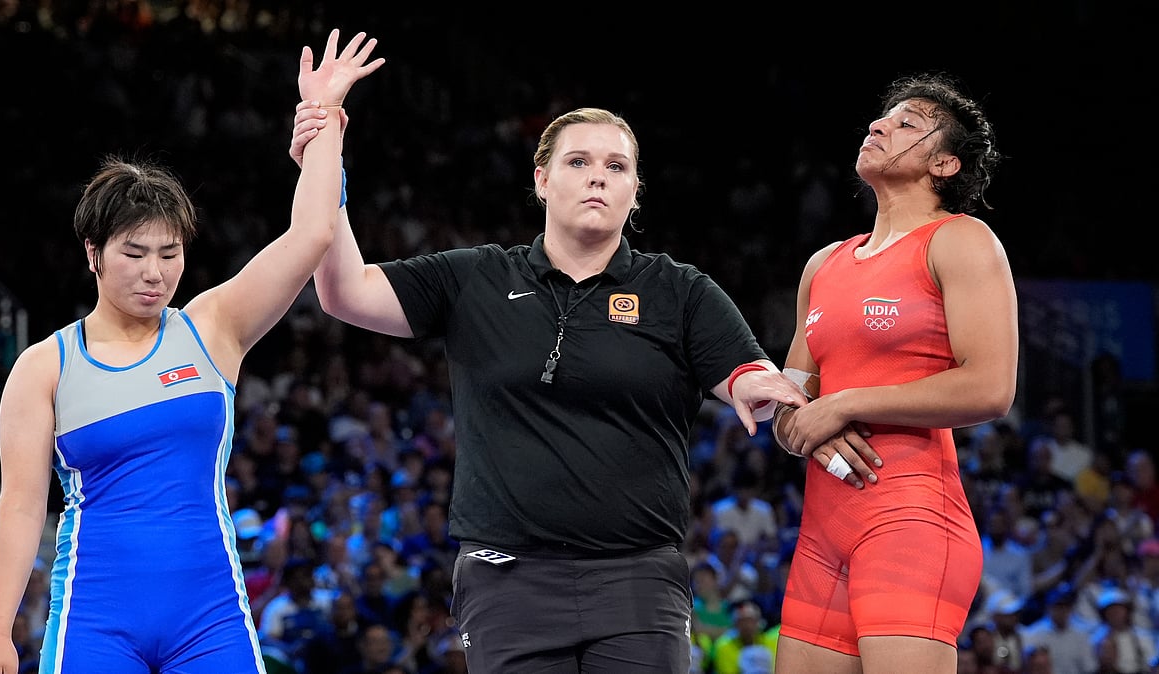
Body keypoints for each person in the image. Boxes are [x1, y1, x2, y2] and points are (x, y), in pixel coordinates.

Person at [287, 101, 809, 670]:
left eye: (616, 167)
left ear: (635, 190)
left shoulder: (680, 291)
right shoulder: (476, 277)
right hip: (505, 581)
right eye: (579, 161)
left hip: (638, 581)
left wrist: (757, 386)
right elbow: (343, 293)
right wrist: (323, 161)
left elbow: (743, 370)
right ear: (541, 179)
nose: (597, 177)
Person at [0, 28, 385, 674]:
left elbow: (311, 235)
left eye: (169, 254)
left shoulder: (212, 326)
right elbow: (22, 507)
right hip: (95, 619)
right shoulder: (46, 367)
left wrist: (325, 121)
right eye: (134, 254)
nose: (154, 273)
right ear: (92, 254)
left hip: (210, 614)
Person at [771, 72, 1018, 672]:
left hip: (912, 522)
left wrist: (846, 403)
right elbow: (791, 401)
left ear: (945, 165)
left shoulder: (960, 242)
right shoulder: (823, 264)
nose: (880, 126)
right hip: (822, 534)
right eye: (883, 118)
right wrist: (804, 424)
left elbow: (990, 387)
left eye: (909, 124)